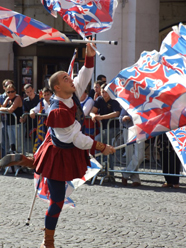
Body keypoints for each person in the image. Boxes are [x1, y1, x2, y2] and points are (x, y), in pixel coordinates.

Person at [0, 39, 115, 247]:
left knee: (58, 199)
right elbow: (76, 138)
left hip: (67, 150)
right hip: (58, 153)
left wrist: (89, 54)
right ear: (56, 87)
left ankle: (30, 162)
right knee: (57, 202)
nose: (71, 79)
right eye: (65, 78)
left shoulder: (71, 94)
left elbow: (85, 75)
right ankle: (48, 242)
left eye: (69, 77)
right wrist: (101, 147)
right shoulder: (58, 111)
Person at [90, 83, 121, 171]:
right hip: (103, 128)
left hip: (113, 127)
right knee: (104, 146)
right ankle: (103, 169)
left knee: (98, 141)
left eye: (106, 92)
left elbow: (116, 113)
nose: (104, 94)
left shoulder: (114, 100)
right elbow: (92, 111)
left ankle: (102, 168)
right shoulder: (99, 99)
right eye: (103, 92)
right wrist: (93, 115)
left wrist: (102, 117)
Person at [119, 108, 145, 187]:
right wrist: (123, 118)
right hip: (128, 128)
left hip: (140, 129)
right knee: (129, 156)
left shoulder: (142, 99)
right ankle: (135, 179)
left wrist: (130, 116)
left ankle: (125, 173)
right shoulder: (127, 101)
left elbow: (143, 113)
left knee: (140, 154)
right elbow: (121, 116)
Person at [0, 84, 23, 154]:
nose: (10, 93)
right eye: (8, 92)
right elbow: (1, 108)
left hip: (17, 124)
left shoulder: (18, 97)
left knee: (19, 145)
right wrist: (7, 109)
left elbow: (11, 110)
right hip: (9, 124)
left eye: (12, 91)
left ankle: (22, 163)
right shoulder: (7, 98)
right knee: (12, 145)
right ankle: (13, 162)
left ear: (15, 91)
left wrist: (6, 109)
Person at [0, 79, 14, 157]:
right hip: (2, 122)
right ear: (3, 87)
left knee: (14, 143)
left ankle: (15, 164)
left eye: (10, 85)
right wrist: (7, 109)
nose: (8, 87)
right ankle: (4, 163)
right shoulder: (0, 97)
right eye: (6, 86)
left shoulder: (15, 96)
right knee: (3, 143)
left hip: (12, 123)